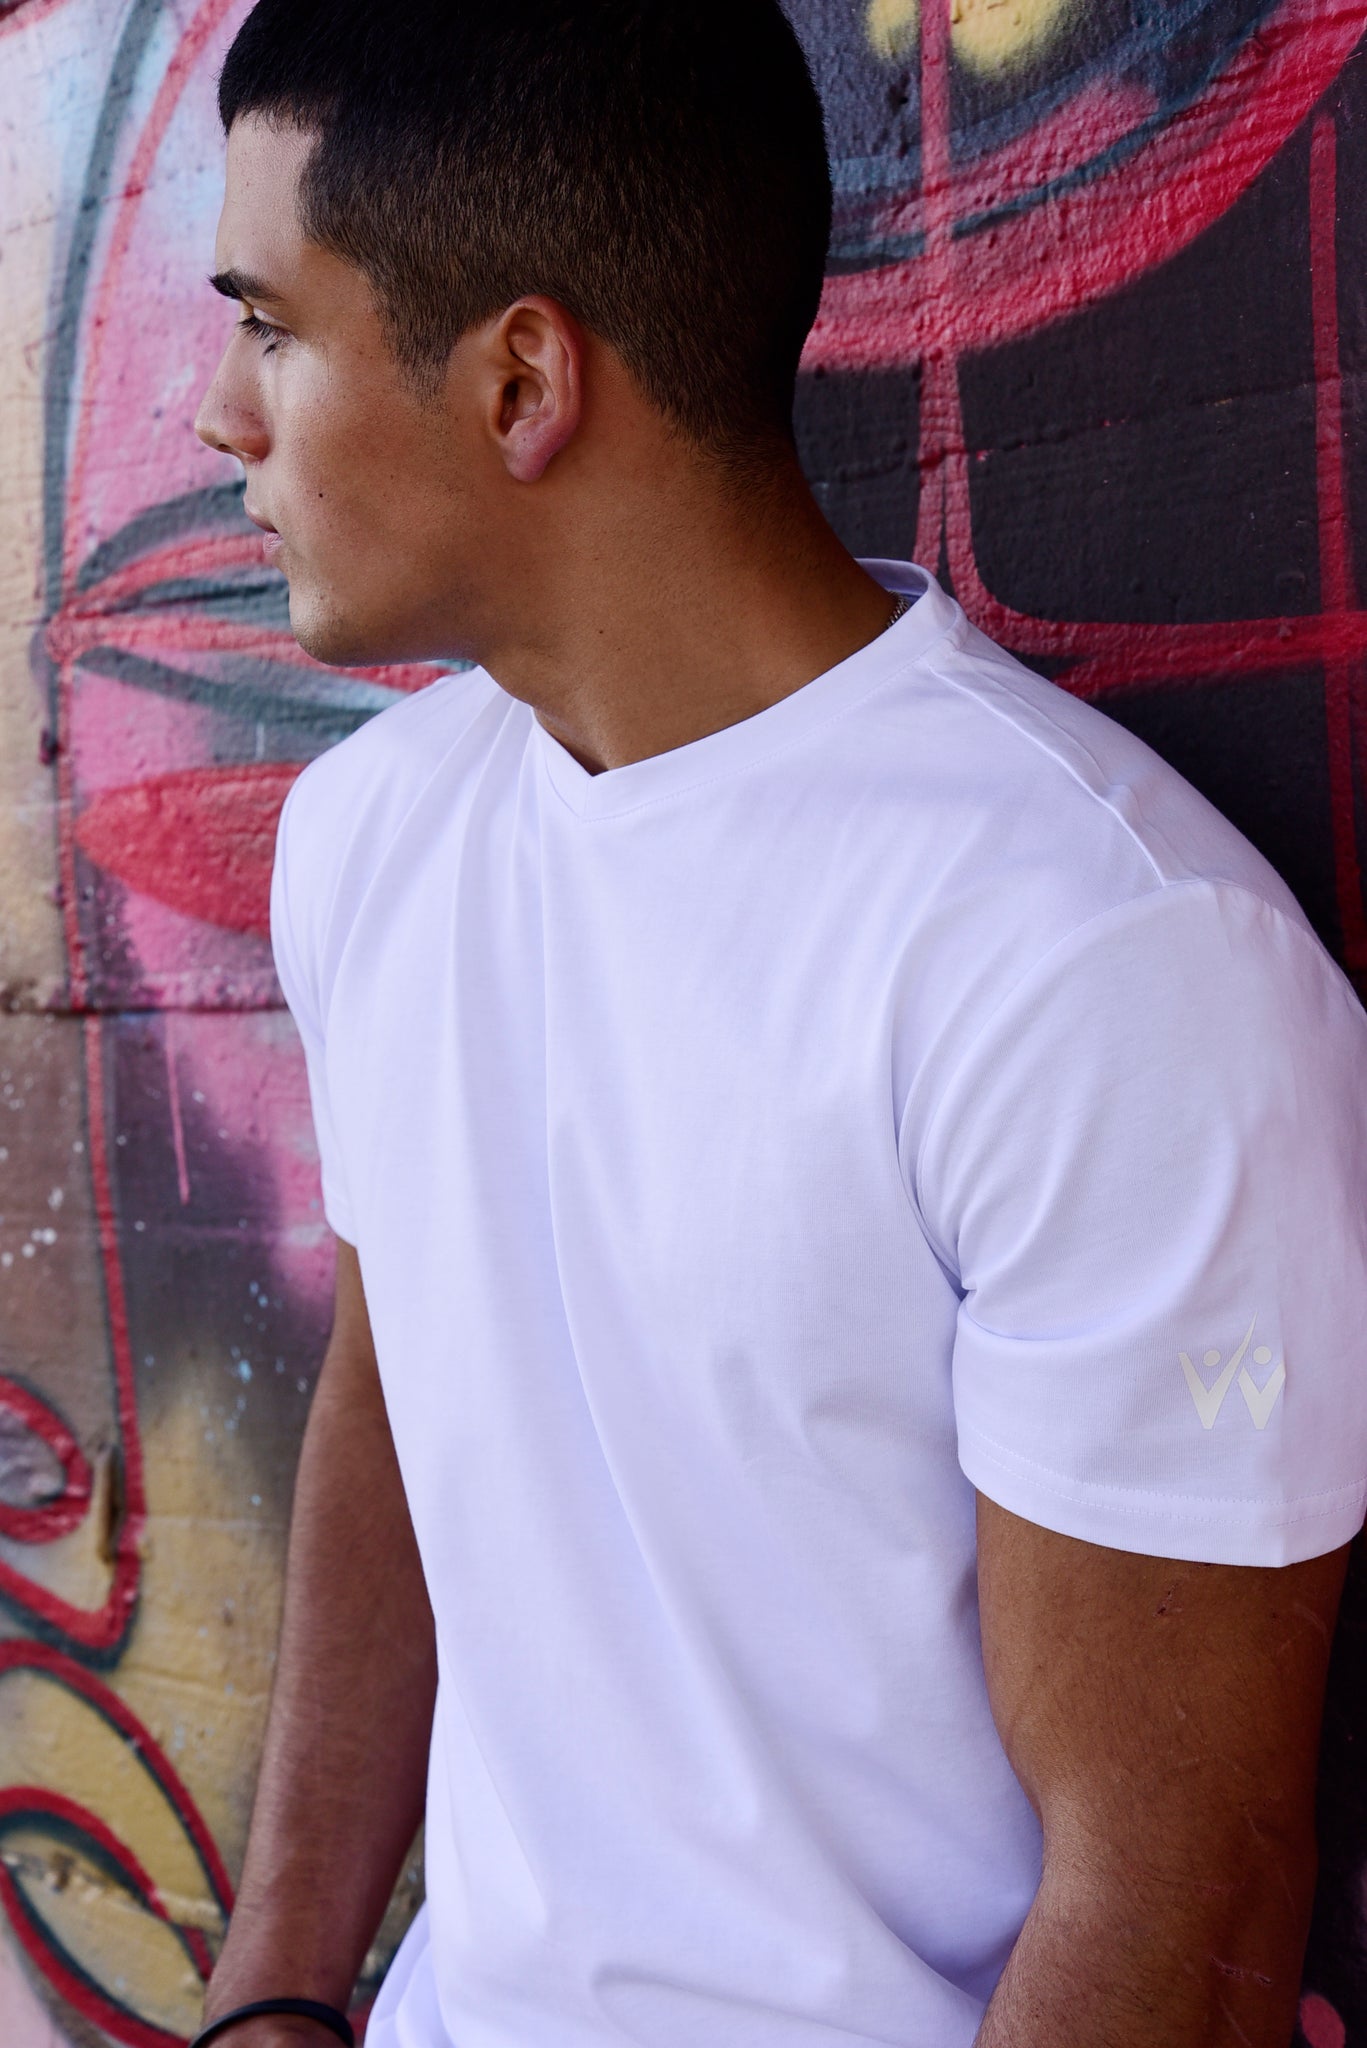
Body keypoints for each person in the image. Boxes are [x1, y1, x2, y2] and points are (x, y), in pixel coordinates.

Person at [189, 3, 1367, 2045]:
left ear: (524, 381)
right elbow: (401, 1394)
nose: (220, 416)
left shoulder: (1100, 961)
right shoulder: (373, 837)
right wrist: (276, 1991)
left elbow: (1177, 1891)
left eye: (271, 329)